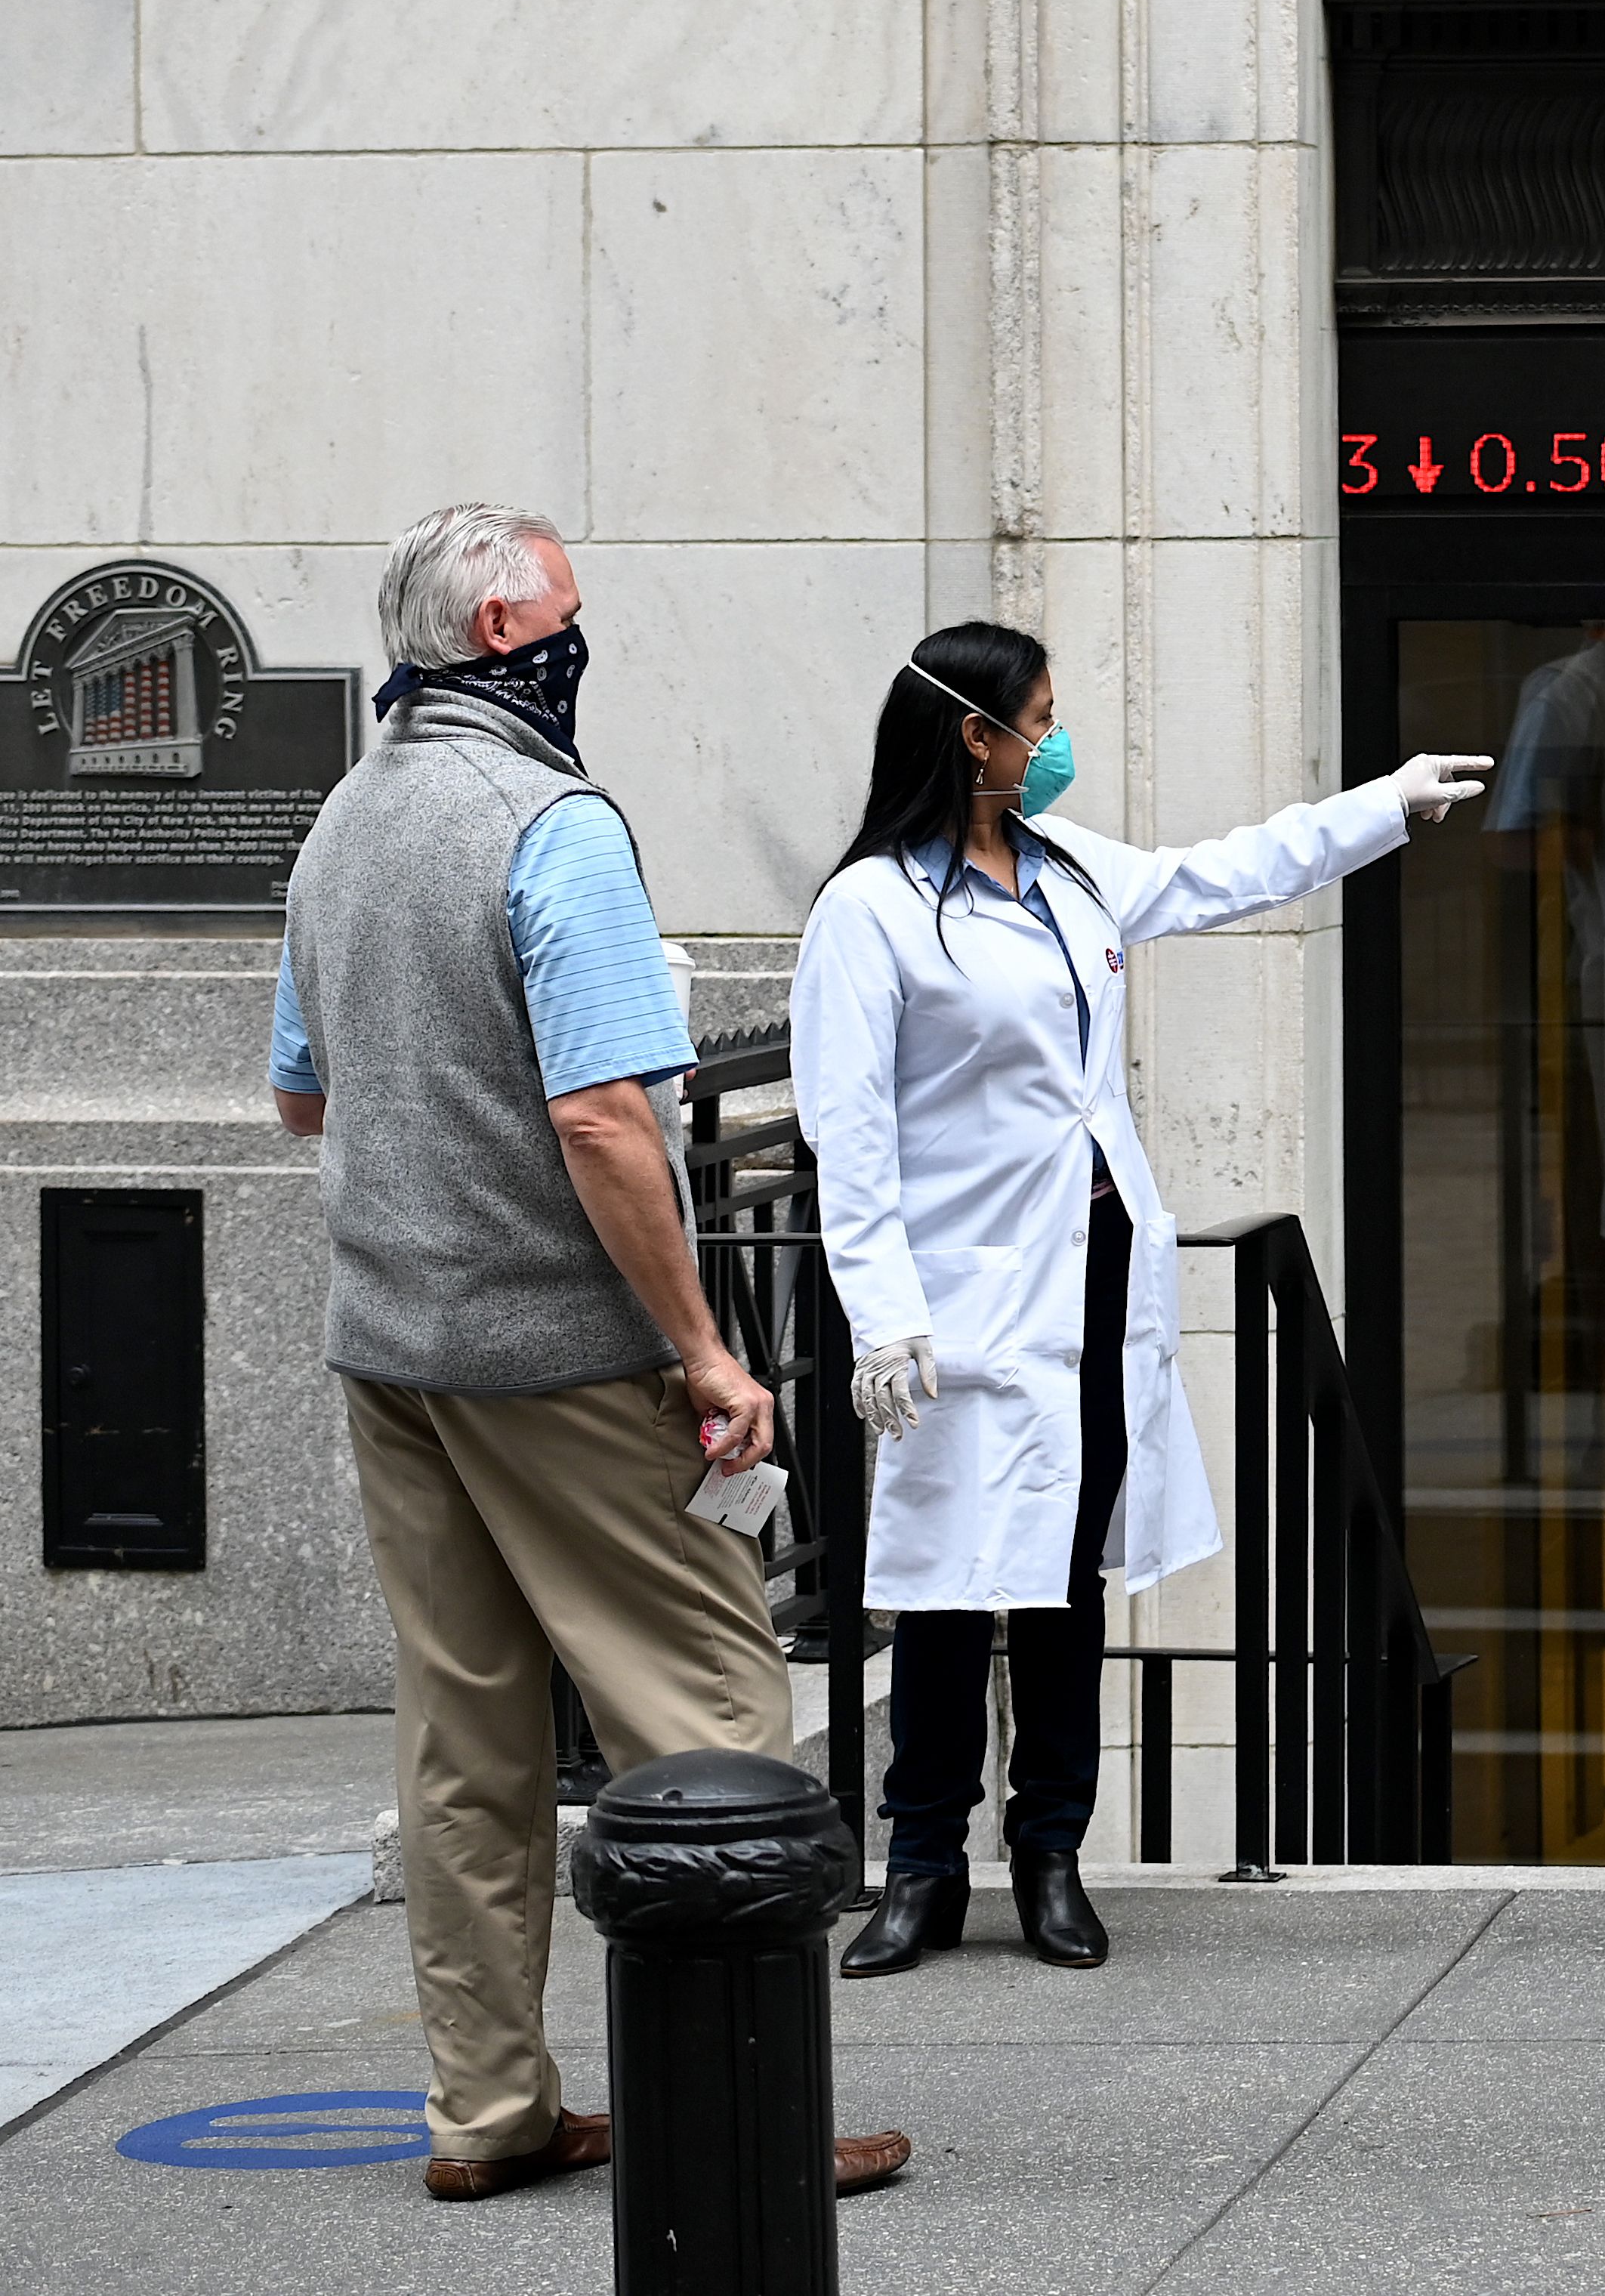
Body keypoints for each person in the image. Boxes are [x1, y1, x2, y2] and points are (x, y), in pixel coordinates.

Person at [273, 503, 912, 2202]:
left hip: (390, 1345)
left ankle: (485, 2114)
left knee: (466, 1744)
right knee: (713, 1703)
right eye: (567, 607)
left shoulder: (345, 819)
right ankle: (747, 2108)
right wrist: (702, 1347)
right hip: (557, 1349)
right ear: (503, 632)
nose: (580, 631)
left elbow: (300, 1092)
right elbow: (607, 1117)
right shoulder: (549, 822)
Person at [793, 622, 1488, 1974]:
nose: (1054, 743)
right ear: (969, 737)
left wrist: (1379, 807)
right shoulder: (870, 909)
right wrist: (883, 1314)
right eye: (1035, 721)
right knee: (942, 1588)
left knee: (1065, 1577)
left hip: (1095, 1271)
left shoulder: (1064, 872)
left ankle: (1050, 1852)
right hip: (958, 1293)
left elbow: (1216, 876)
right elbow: (850, 1133)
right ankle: (921, 1863)